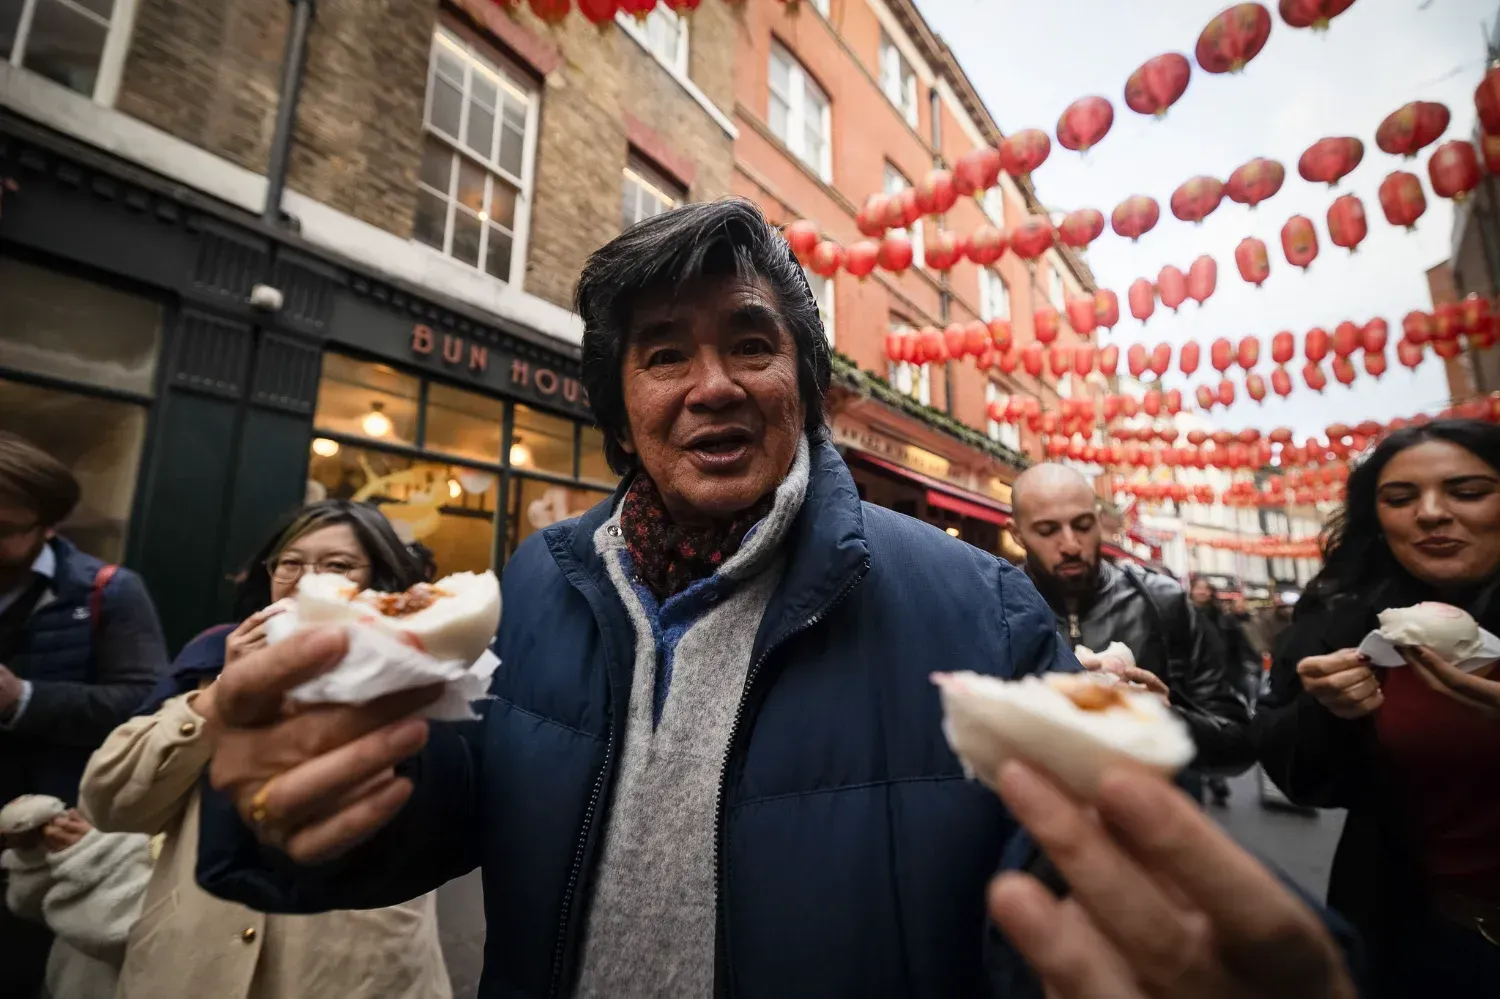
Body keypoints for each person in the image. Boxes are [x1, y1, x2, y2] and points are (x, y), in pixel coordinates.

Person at [192, 200, 1358, 998]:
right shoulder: (529, 591)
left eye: (750, 344)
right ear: (621, 402)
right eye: (662, 354)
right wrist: (279, 797)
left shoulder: (984, 610)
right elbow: (410, 817)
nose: (712, 387)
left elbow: (1098, 887)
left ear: (805, 382)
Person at [79, 500, 451, 999]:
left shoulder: (427, 680)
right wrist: (224, 695)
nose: (306, 581)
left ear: (379, 581)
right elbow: (110, 802)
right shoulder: (210, 659)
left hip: (354, 972)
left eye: (337, 566)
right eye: (290, 563)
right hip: (192, 967)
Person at [1256, 419, 1500, 997]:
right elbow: (1297, 773)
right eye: (1400, 498)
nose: (1432, 513)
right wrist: (1325, 713)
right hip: (1418, 937)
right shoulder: (1345, 615)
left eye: (1467, 492)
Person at [0, 432, 168, 996]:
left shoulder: (109, 591)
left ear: (48, 526)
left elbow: (143, 705)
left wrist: (22, 698)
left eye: (4, 531)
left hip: (39, 847)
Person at [1010, 464, 1255, 778]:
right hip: (1029, 816)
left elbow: (1238, 742)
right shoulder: (995, 606)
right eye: (1047, 531)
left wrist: (1168, 720)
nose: (1070, 545)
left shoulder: (1161, 601)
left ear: (1100, 521)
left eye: (1083, 525)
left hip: (1150, 815)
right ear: (1016, 533)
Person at [2, 808, 152, 999]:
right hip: (70, 983)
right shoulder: (134, 799)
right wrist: (38, 851)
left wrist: (94, 854)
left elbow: (145, 937)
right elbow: (38, 907)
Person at [1190, 577, 1262, 805]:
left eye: (1205, 589)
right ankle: (1202, 776)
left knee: (1216, 724)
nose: (1201, 592)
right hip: (1190, 681)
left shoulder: (1221, 618)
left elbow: (1237, 645)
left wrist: (1249, 664)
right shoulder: (1180, 616)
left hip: (1221, 676)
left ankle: (1215, 777)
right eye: (1198, 588)